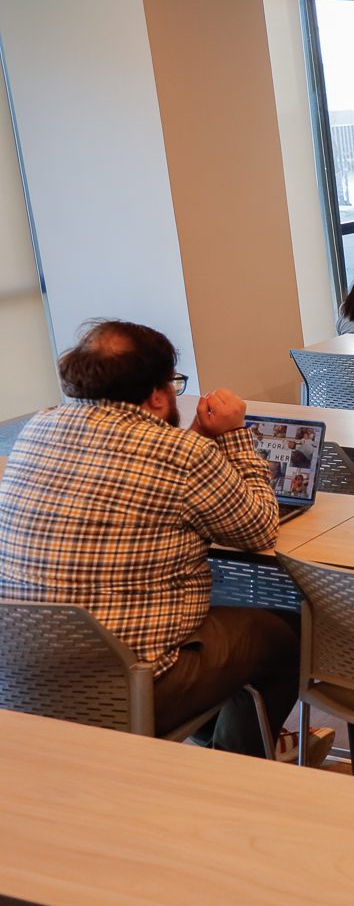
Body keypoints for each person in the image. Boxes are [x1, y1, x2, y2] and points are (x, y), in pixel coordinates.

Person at [0, 321, 320, 760]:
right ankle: (233, 765)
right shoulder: (183, 456)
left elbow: (135, 472)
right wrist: (231, 437)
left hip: (21, 678)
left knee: (215, 628)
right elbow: (260, 527)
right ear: (156, 393)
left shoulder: (38, 429)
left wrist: (200, 442)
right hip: (123, 686)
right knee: (283, 631)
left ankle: (217, 742)